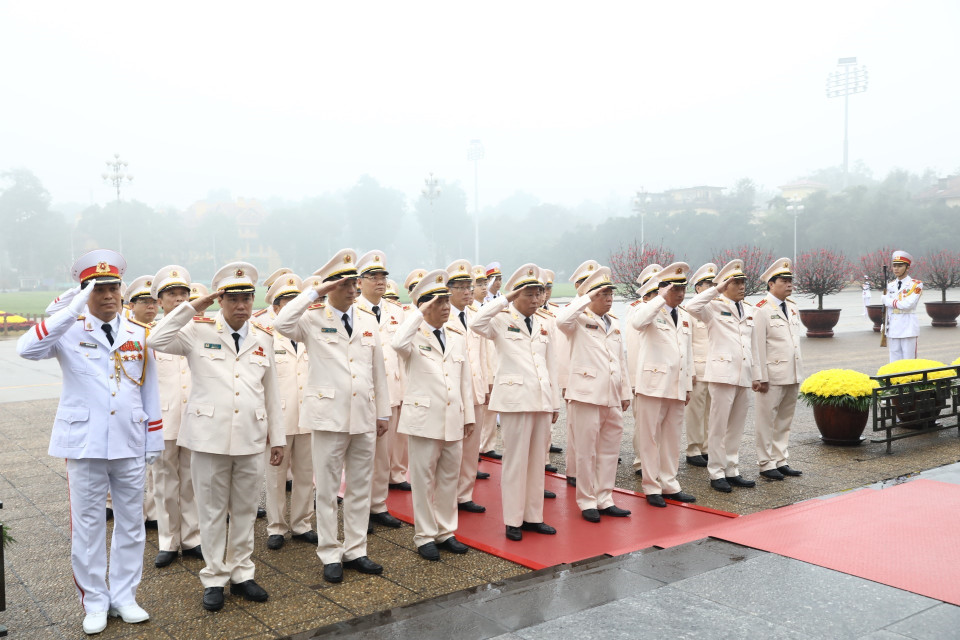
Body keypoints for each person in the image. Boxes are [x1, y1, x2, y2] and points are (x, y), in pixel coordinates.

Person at [18, 249, 163, 635]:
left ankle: (125, 596)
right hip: (84, 443)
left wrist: (154, 441)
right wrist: (70, 309)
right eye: (99, 289)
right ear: (84, 293)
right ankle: (95, 601)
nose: (110, 296)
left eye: (114, 287)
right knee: (88, 526)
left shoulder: (139, 334)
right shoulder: (69, 330)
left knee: (132, 524)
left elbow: (148, 391)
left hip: (130, 441)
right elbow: (26, 349)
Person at [150, 261, 285, 612]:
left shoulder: (263, 339)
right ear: (220, 301)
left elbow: (272, 393)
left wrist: (279, 438)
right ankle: (214, 576)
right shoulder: (198, 330)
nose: (241, 305)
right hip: (209, 437)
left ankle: (242, 573)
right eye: (233, 298)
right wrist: (194, 306)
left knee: (243, 510)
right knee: (211, 512)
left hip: (251, 437)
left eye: (247, 297)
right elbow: (157, 337)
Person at [273, 249, 391, 584]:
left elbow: (377, 371)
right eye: (346, 284)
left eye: (355, 282)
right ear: (330, 288)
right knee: (325, 490)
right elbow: (281, 323)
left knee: (359, 487)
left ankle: (356, 549)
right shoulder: (311, 318)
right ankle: (329, 552)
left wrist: (382, 412)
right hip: (328, 417)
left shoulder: (368, 320)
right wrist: (314, 292)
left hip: (363, 416)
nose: (354, 289)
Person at [471, 264, 562, 541]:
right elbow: (476, 323)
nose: (536, 299)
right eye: (529, 294)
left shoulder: (546, 323)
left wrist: (554, 402)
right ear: (516, 295)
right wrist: (506, 298)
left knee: (537, 462)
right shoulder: (500, 319)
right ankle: (513, 519)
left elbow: (551, 365)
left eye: (539, 294)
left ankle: (533, 516)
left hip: (541, 400)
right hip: (514, 400)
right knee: (515, 462)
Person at [392, 270, 476, 560]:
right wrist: (419, 312)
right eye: (437, 303)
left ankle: (445, 531)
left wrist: (469, 416)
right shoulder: (412, 335)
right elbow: (397, 344)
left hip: (453, 417)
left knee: (449, 478)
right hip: (424, 419)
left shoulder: (455, 335)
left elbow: (464, 379)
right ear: (424, 306)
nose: (445, 307)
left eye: (446, 302)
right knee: (424, 478)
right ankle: (425, 535)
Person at [555, 266, 633, 521]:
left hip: (611, 395)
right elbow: (561, 320)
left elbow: (620, 361)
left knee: (609, 450)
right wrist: (586, 297)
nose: (609, 298)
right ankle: (587, 501)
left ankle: (605, 497)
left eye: (611, 293)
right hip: (586, 395)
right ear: (589, 296)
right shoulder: (577, 319)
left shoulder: (615, 322)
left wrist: (625, 391)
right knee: (586, 451)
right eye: (603, 293)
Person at [685, 259, 761, 494]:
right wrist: (715, 288)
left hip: (744, 374)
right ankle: (716, 472)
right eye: (735, 282)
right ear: (724, 285)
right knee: (718, 427)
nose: (741, 286)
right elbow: (692, 307)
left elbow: (753, 345)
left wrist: (757, 374)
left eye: (742, 282)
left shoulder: (748, 309)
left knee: (736, 426)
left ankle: (732, 469)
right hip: (722, 375)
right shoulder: (713, 307)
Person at [148, 266, 203, 568]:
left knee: (191, 481)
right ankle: (169, 540)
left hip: (194, 417)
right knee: (165, 482)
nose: (180, 298)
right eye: (172, 294)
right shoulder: (149, 335)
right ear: (160, 302)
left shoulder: (201, 329)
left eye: (184, 293)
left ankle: (193, 537)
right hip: (164, 420)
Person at [630, 263, 697, 507]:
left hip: (677, 384)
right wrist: (658, 298)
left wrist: (688, 384)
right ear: (662, 289)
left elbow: (686, 353)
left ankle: (669, 483)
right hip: (653, 384)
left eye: (682, 289)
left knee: (671, 437)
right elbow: (637, 323)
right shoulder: (648, 310)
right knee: (650, 437)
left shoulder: (685, 316)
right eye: (674, 289)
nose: (680, 294)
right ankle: (651, 485)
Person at [263, 274, 319, 550]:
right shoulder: (264, 336)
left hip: (309, 415)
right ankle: (276, 527)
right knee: (275, 476)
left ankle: (301, 523)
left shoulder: (312, 333)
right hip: (279, 419)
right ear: (275, 308)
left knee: (306, 474)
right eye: (286, 303)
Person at [355, 250, 409, 532]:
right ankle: (360, 508)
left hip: (395, 389)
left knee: (387, 453)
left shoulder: (395, 311)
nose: (379, 281)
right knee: (366, 456)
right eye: (373, 277)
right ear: (359, 282)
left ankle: (378, 504)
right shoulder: (354, 311)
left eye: (382, 276)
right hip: (368, 394)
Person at [446, 261, 491, 513]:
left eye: (469, 287)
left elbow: (484, 354)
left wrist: (486, 383)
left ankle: (464, 494)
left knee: (471, 448)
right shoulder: (440, 314)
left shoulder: (476, 316)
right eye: (461, 287)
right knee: (452, 448)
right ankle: (447, 494)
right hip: (452, 392)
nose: (467, 292)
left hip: (475, 388)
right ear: (449, 289)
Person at [753, 258, 803, 481]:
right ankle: (765, 463)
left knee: (784, 419)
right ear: (771, 284)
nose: (789, 285)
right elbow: (757, 346)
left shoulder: (792, 307)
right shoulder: (761, 309)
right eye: (784, 281)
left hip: (791, 372)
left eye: (791, 280)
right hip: (771, 375)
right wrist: (759, 376)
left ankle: (780, 459)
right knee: (766, 420)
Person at [561, 259, 602, 486]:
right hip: (577, 377)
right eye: (586, 283)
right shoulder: (571, 311)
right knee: (576, 431)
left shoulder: (600, 313)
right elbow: (562, 350)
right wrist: (565, 380)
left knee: (593, 432)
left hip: (597, 380)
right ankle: (573, 469)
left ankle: (589, 468)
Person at [125, 276, 161, 530]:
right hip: (133, 410)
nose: (150, 307)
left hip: (160, 406)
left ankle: (153, 511)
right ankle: (136, 513)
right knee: (135, 471)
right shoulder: (124, 332)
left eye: (153, 302)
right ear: (131, 305)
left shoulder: (159, 330)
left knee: (157, 469)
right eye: (144, 302)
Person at [626, 263, 662, 477]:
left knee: (659, 422)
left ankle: (655, 459)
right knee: (644, 422)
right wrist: (634, 380)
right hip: (643, 375)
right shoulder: (636, 309)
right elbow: (633, 347)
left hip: (661, 375)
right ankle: (641, 461)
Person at [684, 263, 716, 468]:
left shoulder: (718, 308)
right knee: (695, 412)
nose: (713, 287)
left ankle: (706, 447)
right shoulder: (689, 310)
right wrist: (690, 371)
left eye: (715, 284)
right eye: (708, 284)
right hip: (698, 369)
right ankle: (693, 448)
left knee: (711, 412)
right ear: (698, 288)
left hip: (715, 370)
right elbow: (687, 344)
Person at [473, 265, 502, 460]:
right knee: (476, 412)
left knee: (490, 408)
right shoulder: (470, 311)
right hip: (477, 367)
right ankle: (474, 449)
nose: (484, 287)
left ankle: (487, 445)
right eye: (479, 284)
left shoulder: (490, 306)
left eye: (485, 283)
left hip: (492, 362)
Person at [882, 250, 923, 362]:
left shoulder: (916, 284)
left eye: (900, 266)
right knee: (894, 360)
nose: (896, 269)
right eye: (894, 266)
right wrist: (884, 324)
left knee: (909, 360)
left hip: (908, 325)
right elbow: (888, 309)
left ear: (907, 267)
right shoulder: (890, 285)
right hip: (893, 327)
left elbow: (908, 304)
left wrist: (888, 301)